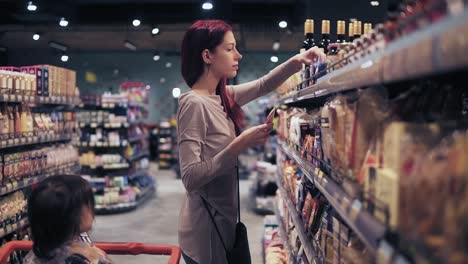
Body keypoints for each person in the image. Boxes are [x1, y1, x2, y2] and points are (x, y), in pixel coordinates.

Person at [178, 20, 325, 264]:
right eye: (229, 49)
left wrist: (298, 61)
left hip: (223, 223)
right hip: (205, 232)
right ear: (207, 55)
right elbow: (190, 177)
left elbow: (263, 84)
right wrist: (239, 145)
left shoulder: (222, 97)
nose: (238, 55)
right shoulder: (193, 104)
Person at [24, 174, 112, 264]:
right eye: (88, 202)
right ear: (73, 214)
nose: (91, 208)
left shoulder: (39, 252)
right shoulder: (78, 259)